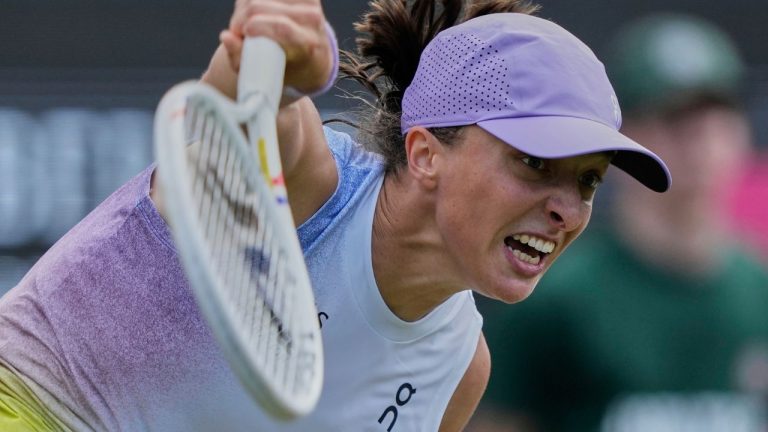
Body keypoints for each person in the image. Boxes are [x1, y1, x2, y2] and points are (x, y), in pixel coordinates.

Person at [0, 1, 671, 431]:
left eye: (587, 181)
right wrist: (282, 58)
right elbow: (242, 105)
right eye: (535, 163)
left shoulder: (461, 370)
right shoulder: (306, 180)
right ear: (426, 153)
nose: (566, 208)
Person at [472, 13, 768, 432]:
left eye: (717, 119)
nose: (702, 142)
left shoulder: (760, 291)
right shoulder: (559, 299)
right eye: (675, 120)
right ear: (625, 138)